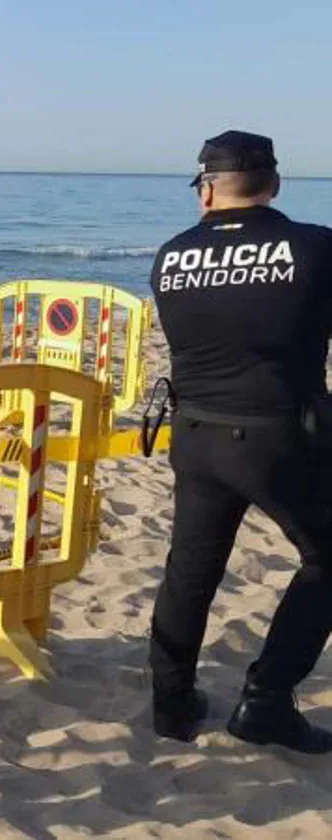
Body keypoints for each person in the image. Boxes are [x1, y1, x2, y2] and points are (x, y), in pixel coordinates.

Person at [148, 130, 332, 752]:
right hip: (280, 435)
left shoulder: (171, 256)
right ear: (274, 183)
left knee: (190, 572)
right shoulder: (314, 247)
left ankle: (170, 706)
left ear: (205, 192)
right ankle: (267, 699)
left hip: (195, 434)